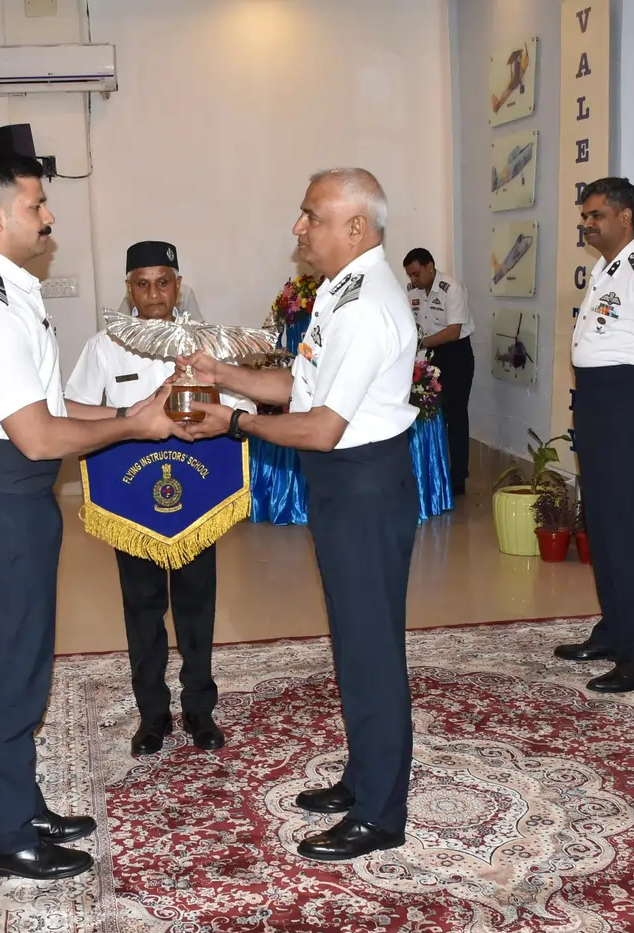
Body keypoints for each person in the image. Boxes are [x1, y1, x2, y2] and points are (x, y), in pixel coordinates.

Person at [0, 151, 184, 882]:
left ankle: (22, 802)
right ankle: (6, 837)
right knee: (12, 673)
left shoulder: (12, 289)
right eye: (37, 204)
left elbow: (49, 403)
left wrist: (128, 412)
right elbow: (39, 435)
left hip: (18, 498)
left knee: (26, 664)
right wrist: (134, 429)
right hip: (1, 501)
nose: (48, 216)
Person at [182, 168, 418, 862]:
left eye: (310, 215)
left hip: (363, 483)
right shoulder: (341, 292)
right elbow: (301, 383)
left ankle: (382, 812)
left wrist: (232, 422)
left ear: (355, 227)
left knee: (372, 648)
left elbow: (320, 427)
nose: (298, 227)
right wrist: (223, 374)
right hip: (344, 483)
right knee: (353, 639)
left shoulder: (370, 303)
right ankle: (364, 775)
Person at [66, 241, 254, 757]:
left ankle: (199, 709)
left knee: (196, 606)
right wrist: (131, 415)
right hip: (133, 501)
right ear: (129, 289)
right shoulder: (105, 347)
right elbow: (74, 409)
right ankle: (152, 715)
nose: (153, 294)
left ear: (178, 285)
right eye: (142, 284)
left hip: (194, 497)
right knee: (142, 609)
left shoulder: (206, 346)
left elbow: (241, 405)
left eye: (163, 282)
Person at [553, 177, 634, 693]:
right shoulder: (605, 270)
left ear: (624, 218)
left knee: (627, 530)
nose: (587, 224)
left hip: (627, 405)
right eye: (584, 216)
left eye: (596, 216)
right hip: (597, 403)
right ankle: (613, 630)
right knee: (603, 526)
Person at [403, 249, 475, 494]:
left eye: (416, 273)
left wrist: (421, 344)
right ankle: (436, 472)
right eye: (410, 275)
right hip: (431, 355)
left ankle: (458, 478)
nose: (413, 279)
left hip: (456, 355)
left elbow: (454, 331)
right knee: (432, 415)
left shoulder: (451, 288)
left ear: (430, 266)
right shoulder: (411, 291)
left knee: (456, 416)